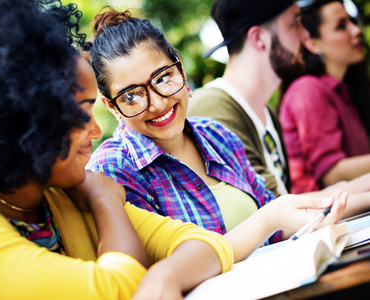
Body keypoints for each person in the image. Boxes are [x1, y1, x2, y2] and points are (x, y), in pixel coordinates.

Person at [0, 1, 236, 299]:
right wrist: (105, 201)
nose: (96, 131)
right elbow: (120, 290)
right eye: (81, 111)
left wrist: (167, 274)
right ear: (19, 119)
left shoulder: (58, 197)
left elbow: (205, 244)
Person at [85, 7, 347, 262]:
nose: (157, 103)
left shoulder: (216, 135)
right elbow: (165, 270)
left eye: (163, 78)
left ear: (181, 70)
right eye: (131, 96)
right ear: (111, 106)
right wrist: (267, 220)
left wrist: (318, 216)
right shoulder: (113, 168)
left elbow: (278, 225)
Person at [187, 0, 370, 198]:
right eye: (294, 23)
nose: (306, 34)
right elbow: (276, 212)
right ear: (259, 38)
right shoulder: (213, 108)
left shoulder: (266, 113)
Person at [279, 0, 370, 194]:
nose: (356, 31)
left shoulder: (342, 90)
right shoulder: (308, 90)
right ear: (313, 43)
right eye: (341, 26)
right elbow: (331, 173)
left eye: (353, 22)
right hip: (327, 219)